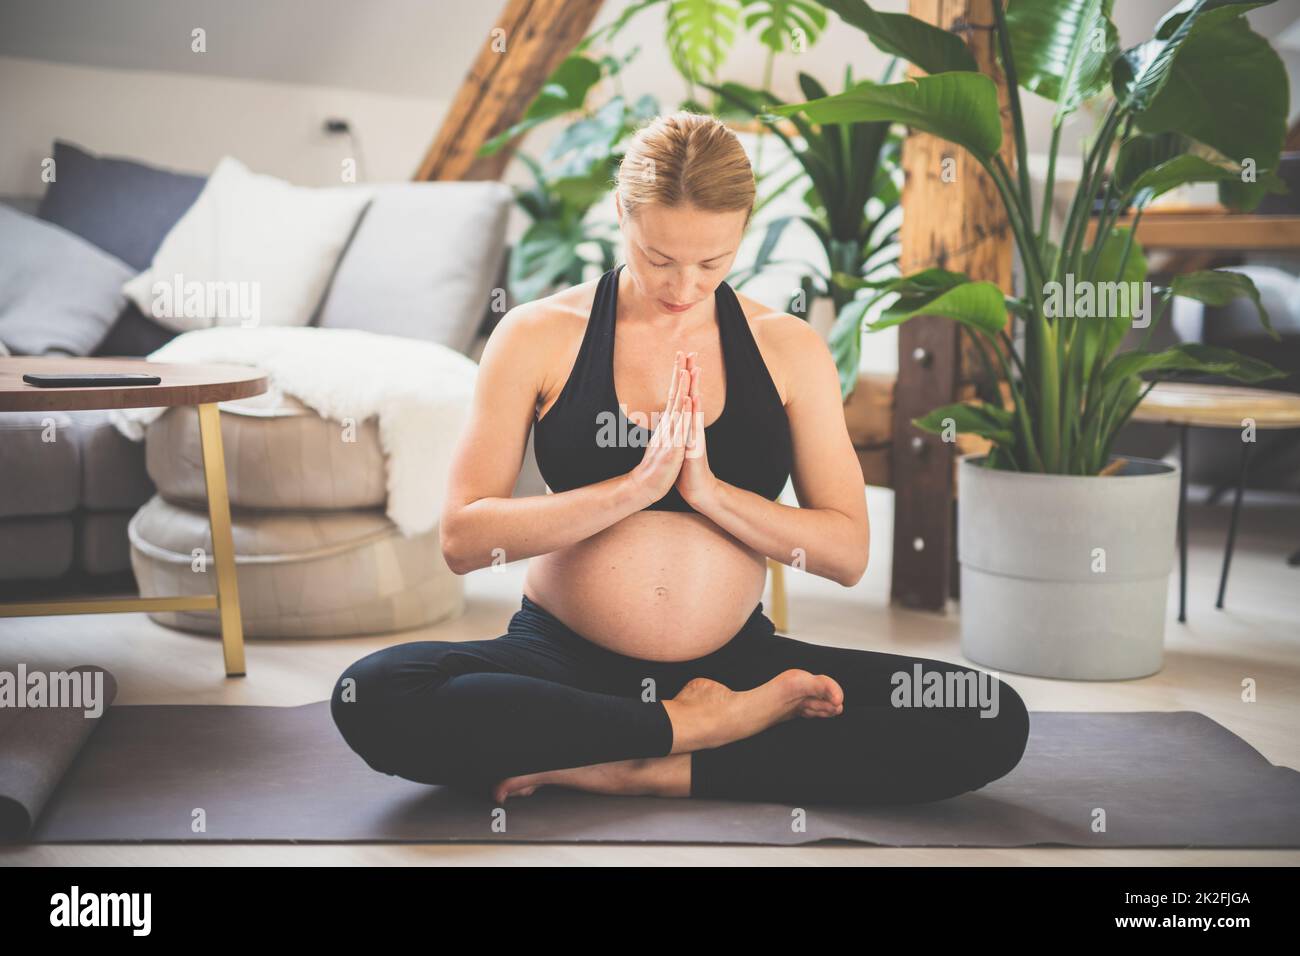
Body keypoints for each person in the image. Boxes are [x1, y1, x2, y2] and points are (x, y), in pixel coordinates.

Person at [331, 110, 1029, 806]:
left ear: (743, 230)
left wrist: (711, 493)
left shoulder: (788, 348)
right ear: (622, 213)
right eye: (659, 258)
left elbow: (846, 554)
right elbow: (463, 540)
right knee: (377, 693)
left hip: (735, 670)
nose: (684, 287)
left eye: (713, 263)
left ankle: (644, 763)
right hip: (559, 661)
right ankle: (690, 730)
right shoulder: (538, 335)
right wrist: (632, 489)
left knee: (985, 714)